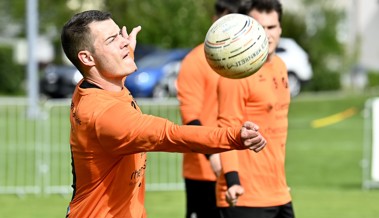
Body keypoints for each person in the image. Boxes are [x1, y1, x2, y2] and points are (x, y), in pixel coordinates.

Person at [61, 10, 267, 218]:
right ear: (87, 58)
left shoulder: (94, 87)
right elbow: (171, 135)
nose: (124, 42)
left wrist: (124, 54)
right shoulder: (105, 115)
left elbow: (105, 77)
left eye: (120, 35)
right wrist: (235, 137)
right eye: (112, 40)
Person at [215, 0, 296, 217]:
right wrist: (232, 181)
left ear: (280, 29)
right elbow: (227, 128)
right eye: (260, 27)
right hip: (245, 197)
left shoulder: (280, 66)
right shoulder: (236, 72)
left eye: (272, 27)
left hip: (279, 192)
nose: (267, 35)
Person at [176, 1, 243, 217]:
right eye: (226, 19)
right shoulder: (195, 61)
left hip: (243, 170)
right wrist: (214, 157)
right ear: (215, 20)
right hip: (204, 172)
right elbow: (191, 118)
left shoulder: (247, 60)